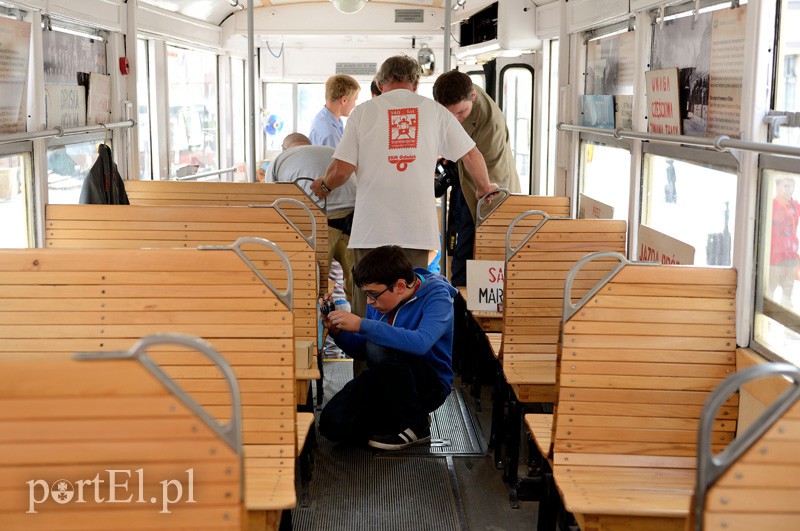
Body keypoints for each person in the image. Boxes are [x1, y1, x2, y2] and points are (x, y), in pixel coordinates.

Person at [310, 55, 497, 321]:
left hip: (371, 230)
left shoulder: (363, 113)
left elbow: (341, 170)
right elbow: (471, 155)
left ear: (380, 81)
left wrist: (324, 187)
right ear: (416, 82)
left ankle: (368, 363)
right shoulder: (436, 112)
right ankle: (408, 360)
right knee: (410, 307)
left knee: (369, 308)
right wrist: (484, 188)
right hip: (416, 231)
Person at [318, 245, 458, 450]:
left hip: (428, 384)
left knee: (379, 345)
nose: (369, 301)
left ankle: (417, 426)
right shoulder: (379, 301)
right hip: (385, 378)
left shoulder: (437, 296)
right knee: (332, 425)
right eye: (366, 294)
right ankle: (399, 420)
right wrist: (338, 332)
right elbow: (363, 350)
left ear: (400, 286)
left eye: (373, 295)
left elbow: (421, 343)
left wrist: (362, 325)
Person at [433, 70, 521, 286]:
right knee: (459, 249)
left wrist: (488, 221)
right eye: (448, 114)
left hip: (487, 189)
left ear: (473, 96)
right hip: (467, 179)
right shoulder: (458, 98)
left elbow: (492, 177)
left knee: (469, 251)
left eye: (460, 113)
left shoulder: (490, 125)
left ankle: (466, 309)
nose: (454, 120)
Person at [265, 132, 357, 302]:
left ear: (283, 148)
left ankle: (319, 323)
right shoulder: (331, 150)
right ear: (309, 143)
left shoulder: (279, 160)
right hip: (354, 219)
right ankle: (360, 323)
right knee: (358, 285)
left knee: (314, 288)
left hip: (319, 224)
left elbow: (273, 204)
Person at [770, 176, 800, 306]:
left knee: (788, 295)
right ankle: (766, 324)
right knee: (769, 291)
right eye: (785, 186)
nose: (789, 190)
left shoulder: (795, 205)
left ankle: (787, 325)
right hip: (774, 257)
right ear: (777, 187)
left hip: (790, 254)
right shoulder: (772, 204)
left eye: (791, 186)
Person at [309, 74, 361, 148]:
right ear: (344, 100)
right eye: (354, 100)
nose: (354, 105)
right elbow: (337, 159)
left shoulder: (329, 119)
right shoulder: (330, 133)